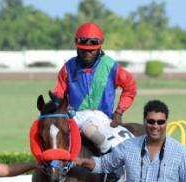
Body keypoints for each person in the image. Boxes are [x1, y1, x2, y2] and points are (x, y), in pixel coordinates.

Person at [50, 22, 137, 154]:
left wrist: (119, 112)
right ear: (77, 48)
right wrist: (56, 100)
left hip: (99, 118)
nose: (87, 53)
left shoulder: (110, 66)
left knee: (91, 131)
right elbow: (59, 91)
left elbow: (130, 86)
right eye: (83, 50)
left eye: (92, 50)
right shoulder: (68, 66)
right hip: (73, 116)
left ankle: (111, 165)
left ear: (99, 47)